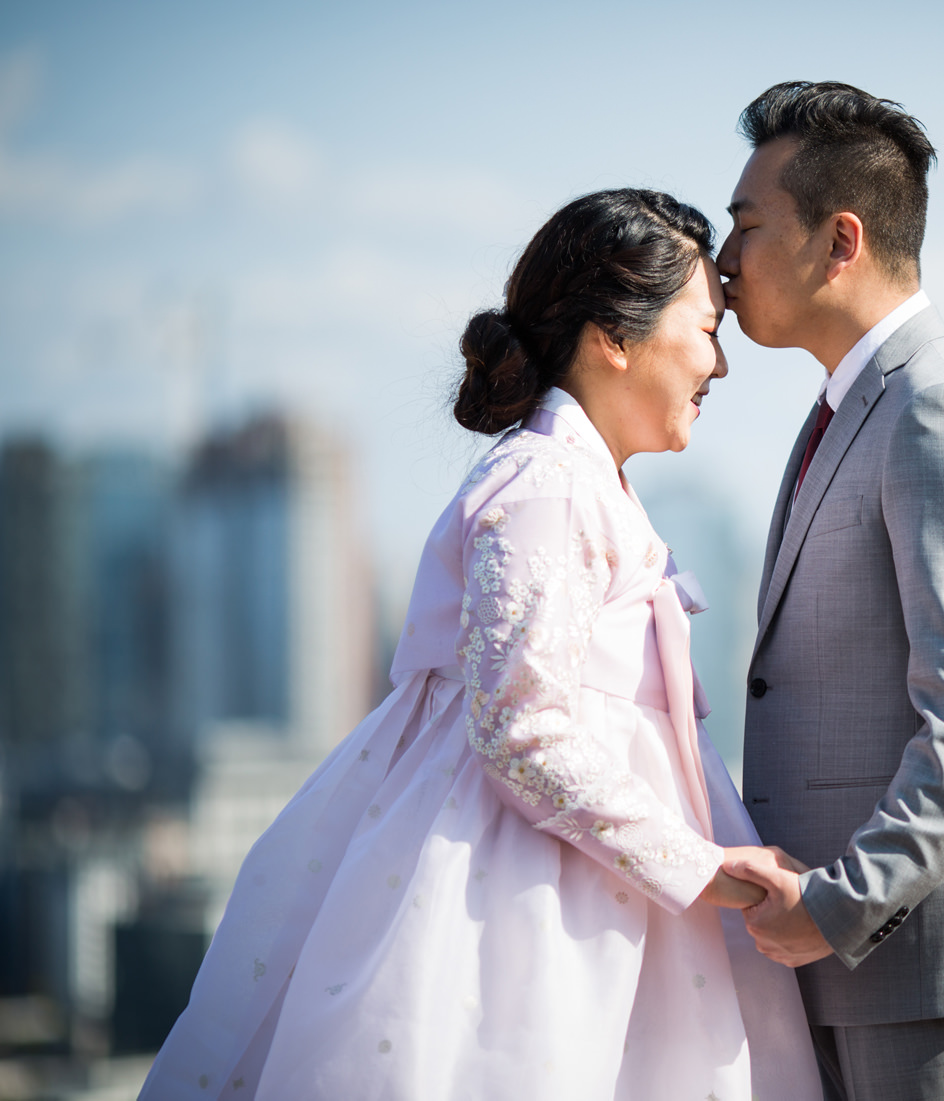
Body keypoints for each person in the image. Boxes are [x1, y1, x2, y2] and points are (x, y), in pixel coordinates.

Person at [140, 188, 820, 1101]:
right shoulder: (545, 484)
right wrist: (701, 868)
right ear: (612, 338)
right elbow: (520, 726)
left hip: (592, 875)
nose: (721, 364)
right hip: (529, 890)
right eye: (705, 330)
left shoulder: (582, 482)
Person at [715, 82, 944, 1101]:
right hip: (853, 966)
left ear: (839, 242)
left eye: (745, 227)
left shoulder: (941, 406)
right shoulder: (845, 410)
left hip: (927, 970)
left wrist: (837, 906)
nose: (722, 261)